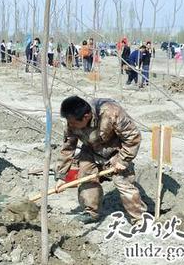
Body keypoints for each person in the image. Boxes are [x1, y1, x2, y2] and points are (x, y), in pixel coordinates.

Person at [55, 96, 147, 224]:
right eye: (69, 122)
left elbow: (132, 137)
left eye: (74, 123)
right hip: (90, 150)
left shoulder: (111, 112)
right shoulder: (72, 121)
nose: (70, 125)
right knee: (86, 177)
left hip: (116, 150)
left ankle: (139, 219)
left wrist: (123, 159)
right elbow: (67, 148)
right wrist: (61, 176)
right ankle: (91, 212)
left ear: (86, 116)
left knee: (123, 182)